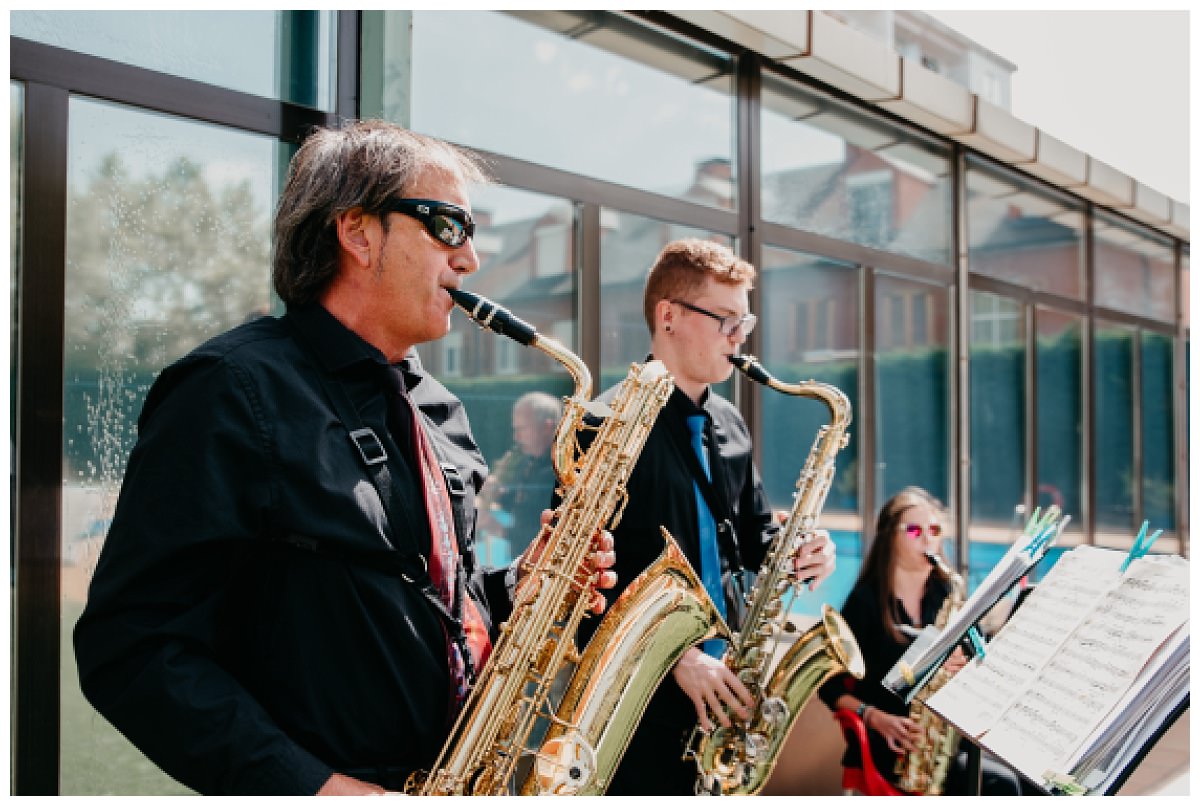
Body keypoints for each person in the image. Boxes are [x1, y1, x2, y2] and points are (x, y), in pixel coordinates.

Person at [72, 120, 615, 796]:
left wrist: (525, 589)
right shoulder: (232, 389)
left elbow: (435, 603)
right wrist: (321, 789)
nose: (470, 259)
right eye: (449, 227)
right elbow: (132, 648)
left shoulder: (439, 409)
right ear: (357, 232)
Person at [576, 238, 837, 795]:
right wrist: (676, 657)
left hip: (727, 690)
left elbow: (752, 536)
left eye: (744, 321)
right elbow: (582, 584)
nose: (739, 338)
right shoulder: (604, 425)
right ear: (668, 315)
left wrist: (798, 549)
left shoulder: (729, 422)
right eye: (725, 320)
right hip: (641, 701)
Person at [818, 486, 1021, 795]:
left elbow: (980, 661)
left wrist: (963, 665)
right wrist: (872, 716)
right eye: (914, 530)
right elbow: (828, 685)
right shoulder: (865, 602)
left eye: (935, 529)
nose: (928, 539)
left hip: (939, 744)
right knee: (1002, 786)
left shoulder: (948, 593)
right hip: (890, 741)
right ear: (890, 536)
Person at [477, 391, 562, 559]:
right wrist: (500, 494)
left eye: (521, 429)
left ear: (547, 427)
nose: (516, 437)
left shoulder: (558, 474)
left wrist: (498, 529)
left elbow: (547, 535)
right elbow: (523, 503)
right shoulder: (530, 462)